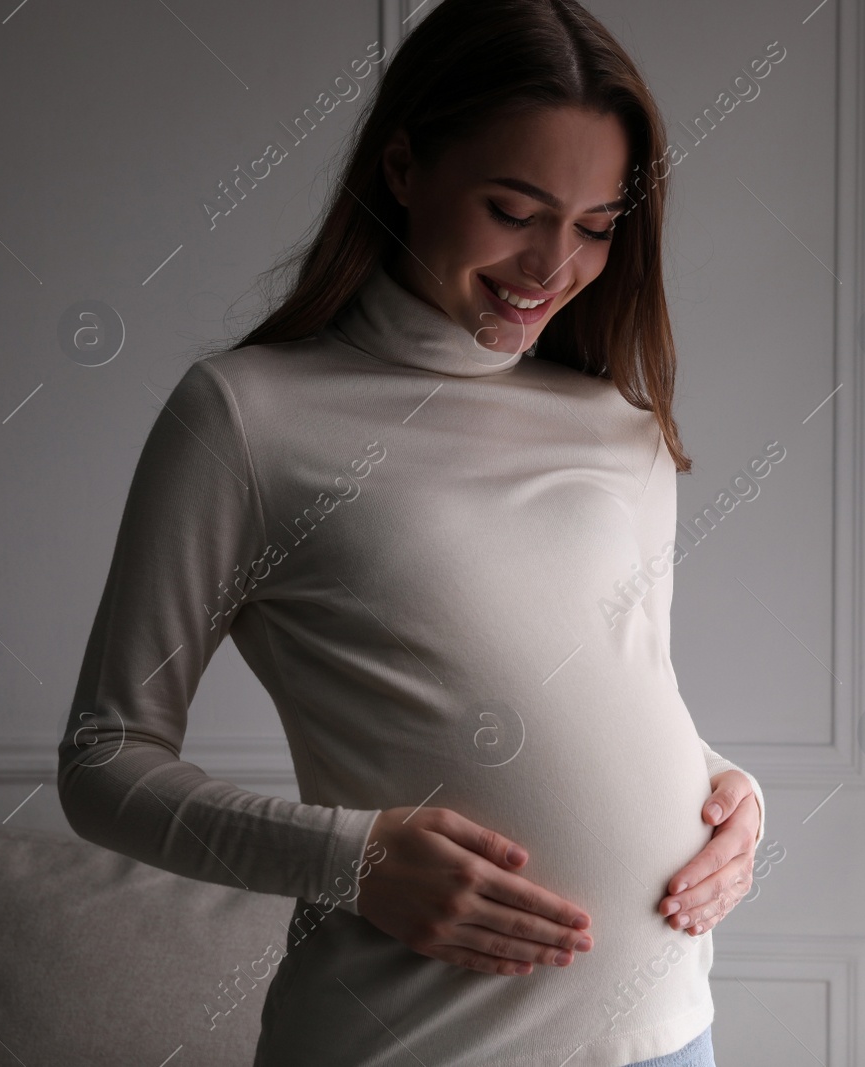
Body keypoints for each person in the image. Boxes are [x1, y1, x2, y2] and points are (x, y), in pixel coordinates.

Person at [56, 1, 767, 1064]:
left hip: (671, 1035)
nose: (551, 263)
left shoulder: (622, 429)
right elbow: (103, 760)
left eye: (596, 224)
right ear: (402, 167)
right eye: (513, 208)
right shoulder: (247, 417)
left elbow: (622, 684)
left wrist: (729, 793)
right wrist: (350, 856)